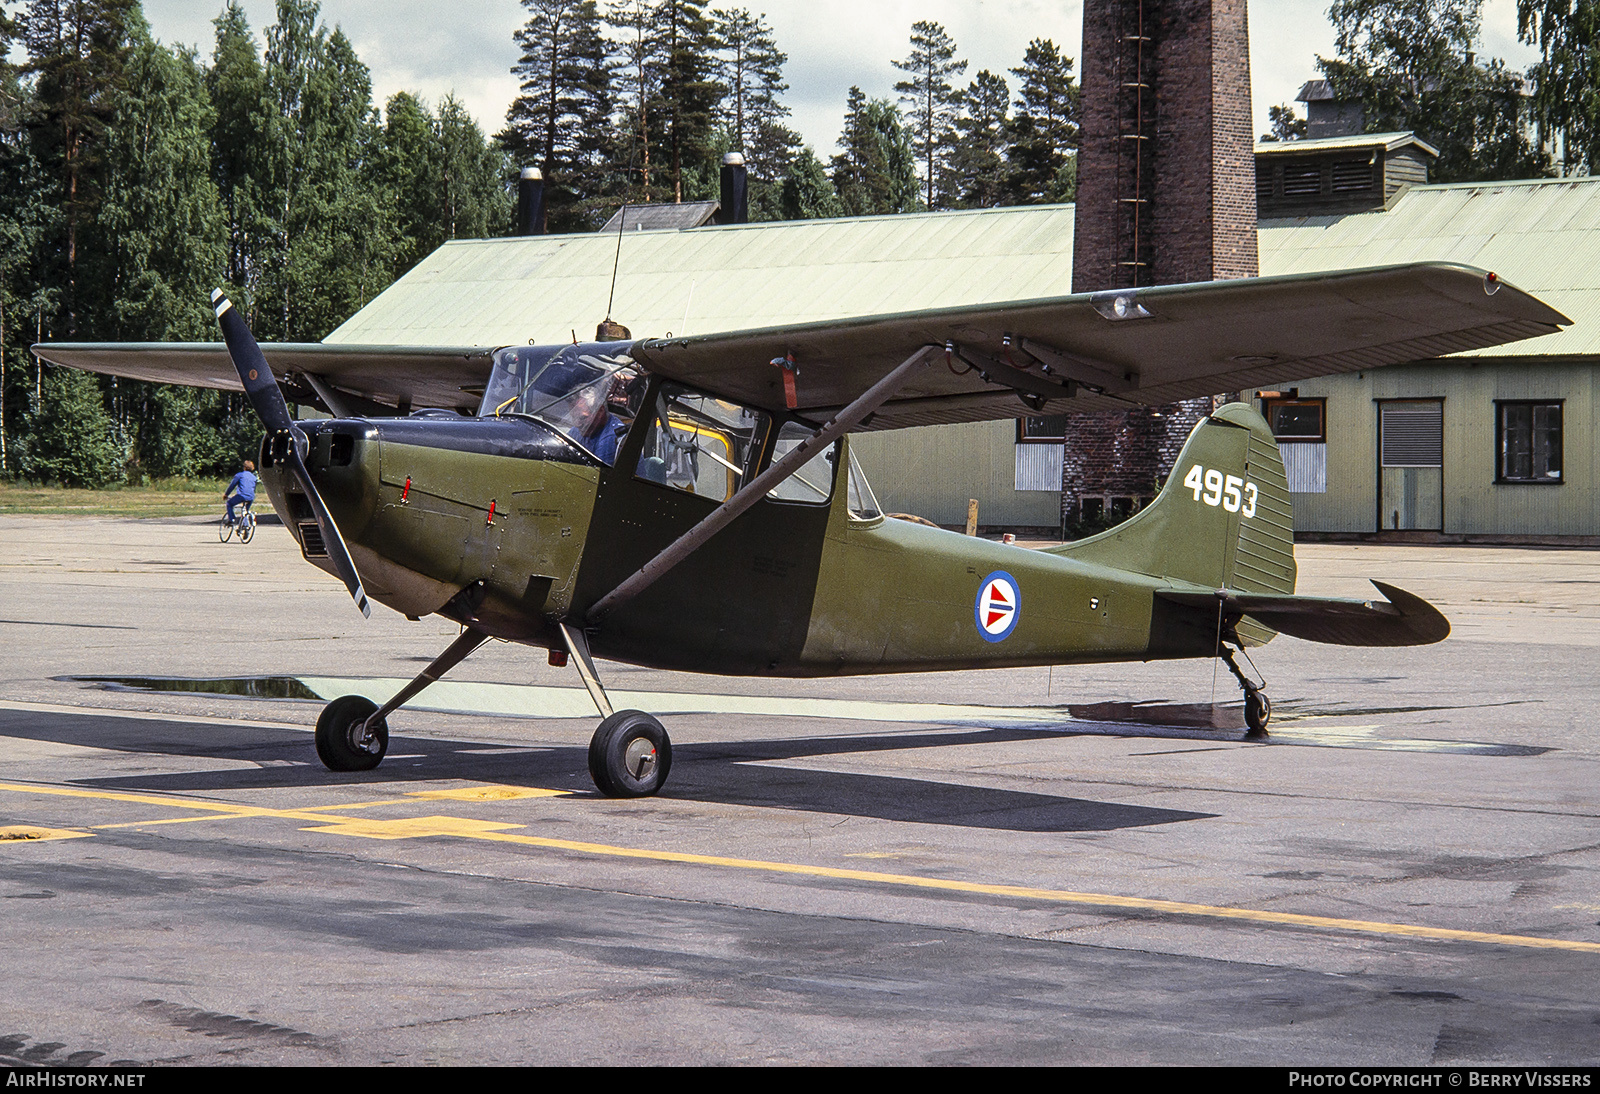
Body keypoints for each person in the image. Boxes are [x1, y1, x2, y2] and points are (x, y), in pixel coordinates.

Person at [224, 460, 257, 525]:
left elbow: (232, 485)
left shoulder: (239, 475)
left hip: (242, 496)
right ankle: (245, 527)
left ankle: (231, 520)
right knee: (245, 511)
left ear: (244, 467)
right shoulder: (254, 477)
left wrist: (226, 494)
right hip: (251, 497)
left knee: (229, 504)